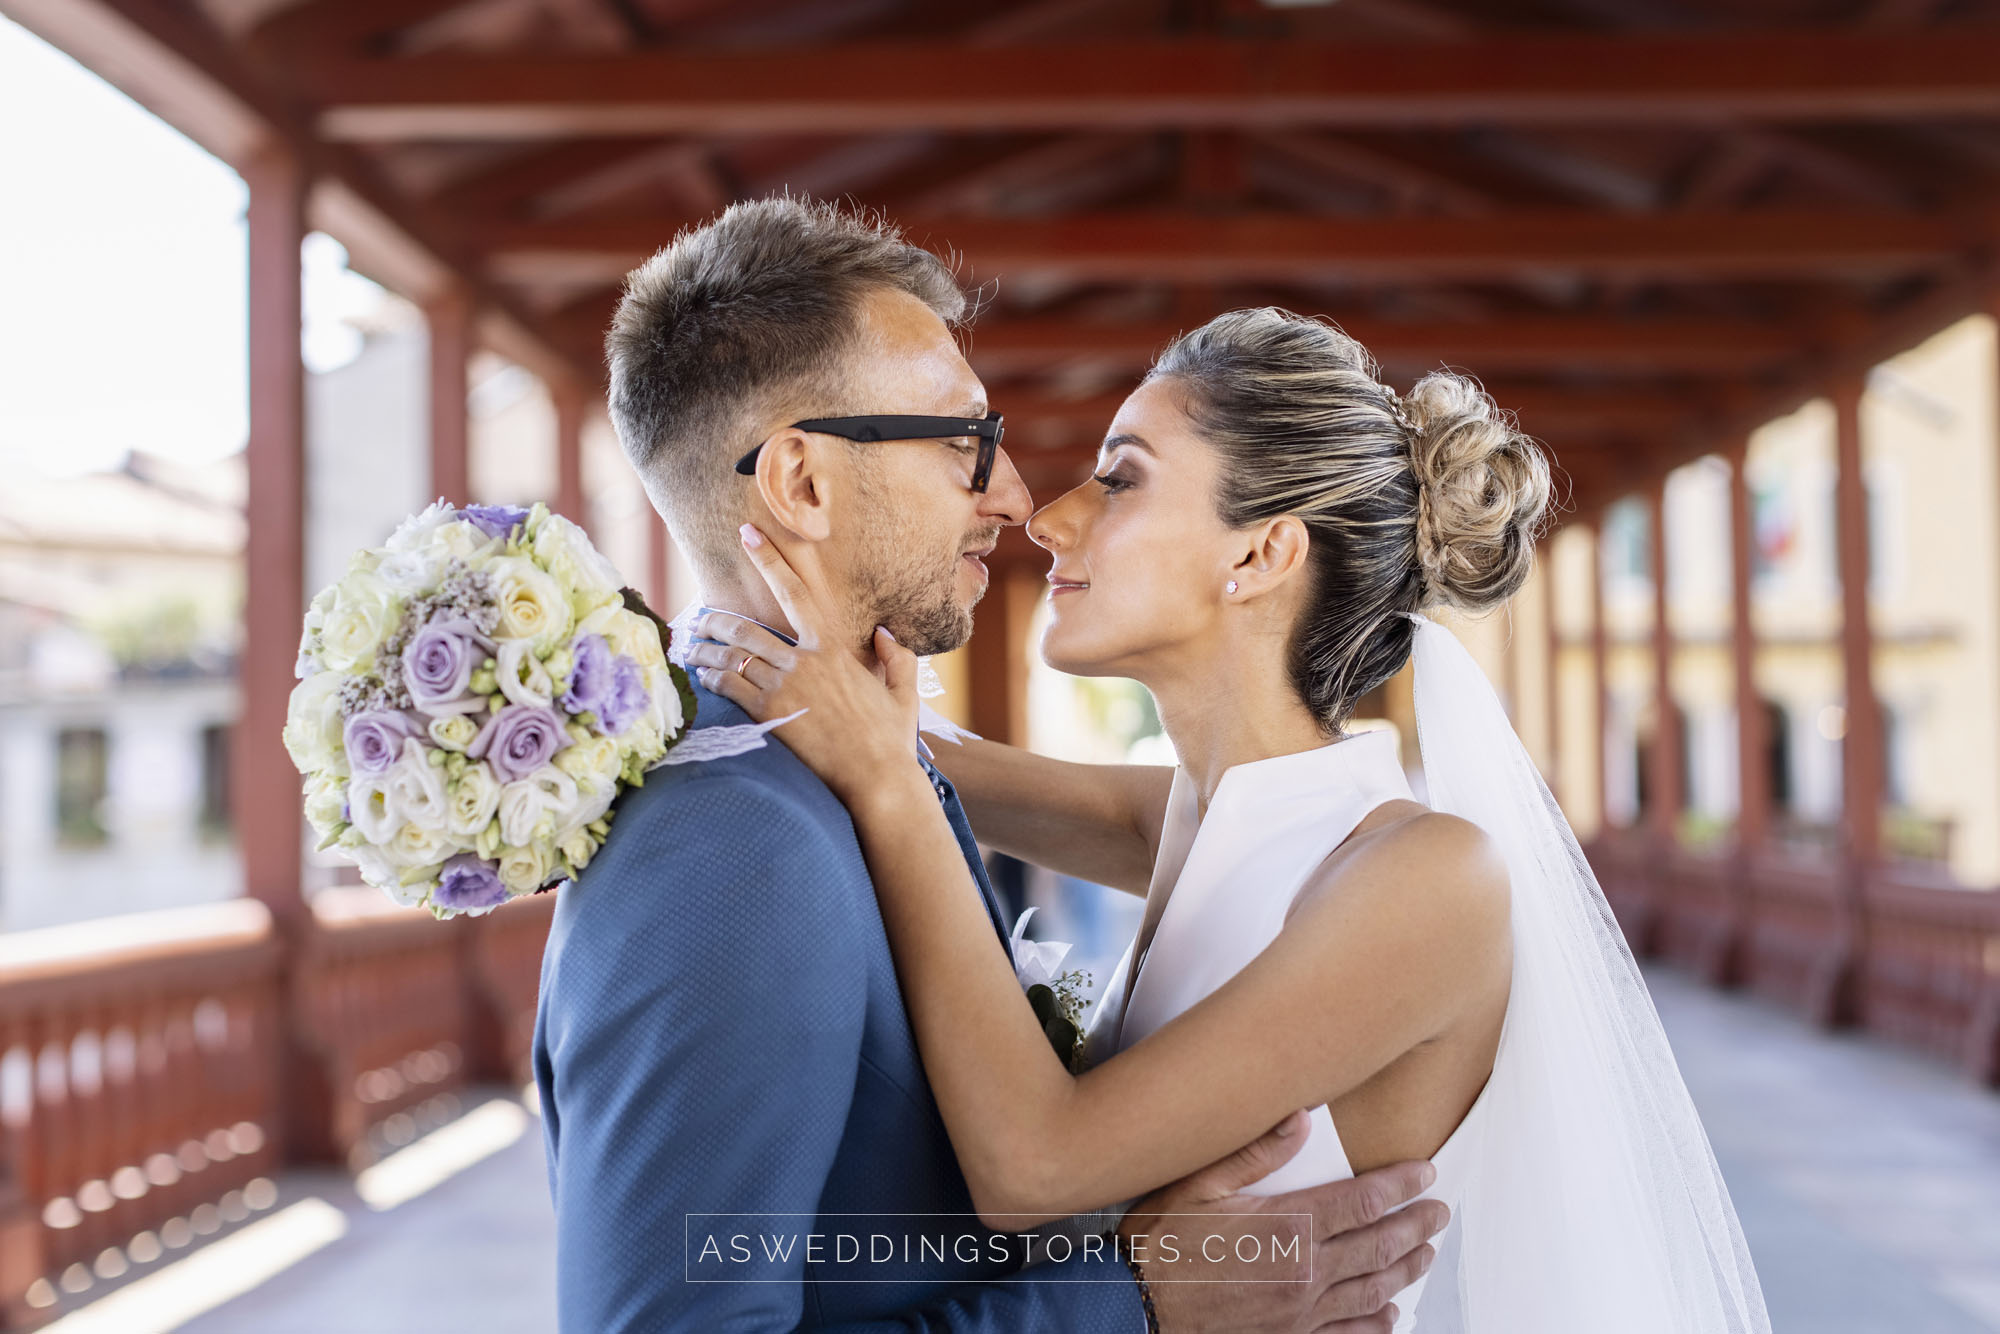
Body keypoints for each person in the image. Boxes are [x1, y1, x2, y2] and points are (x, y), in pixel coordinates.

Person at [688, 306, 1773, 1332]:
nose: (1047, 515)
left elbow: (1033, 1167)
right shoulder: (1199, 818)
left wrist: (883, 782)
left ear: (1258, 555)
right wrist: (718, 644)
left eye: (1118, 480)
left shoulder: (1425, 875)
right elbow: (928, 758)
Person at [532, 199, 1446, 1332]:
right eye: (966, 440)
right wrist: (1129, 1299)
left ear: (1264, 553)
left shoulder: (862, 779)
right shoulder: (731, 843)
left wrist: (887, 753)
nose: (1018, 498)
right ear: (804, 485)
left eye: (1117, 477)